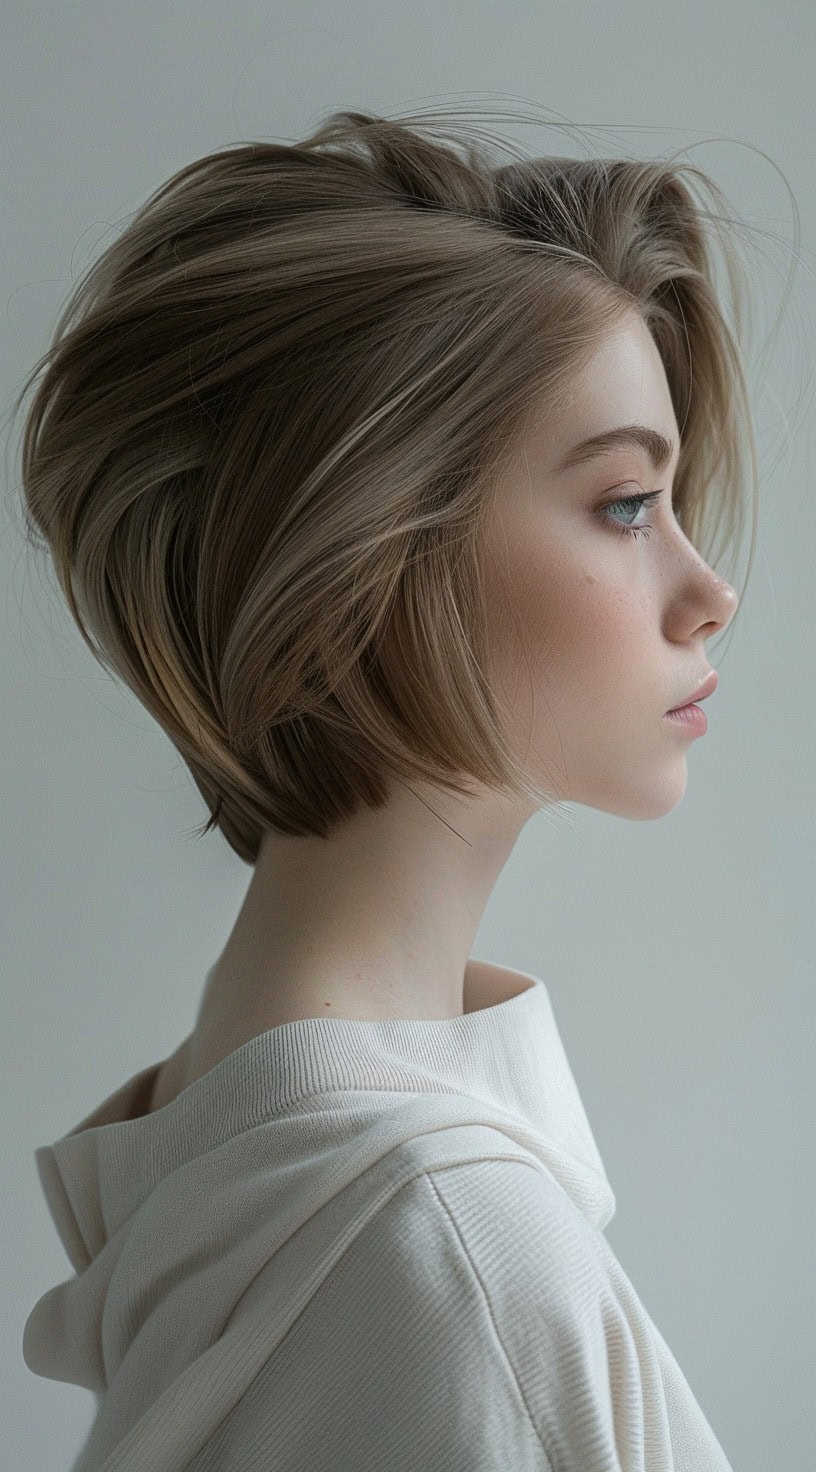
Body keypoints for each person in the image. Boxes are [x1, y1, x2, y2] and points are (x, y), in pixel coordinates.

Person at [17, 107, 754, 1471]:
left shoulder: (246, 1172)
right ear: (366, 553)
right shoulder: (457, 1255)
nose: (708, 595)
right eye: (624, 504)